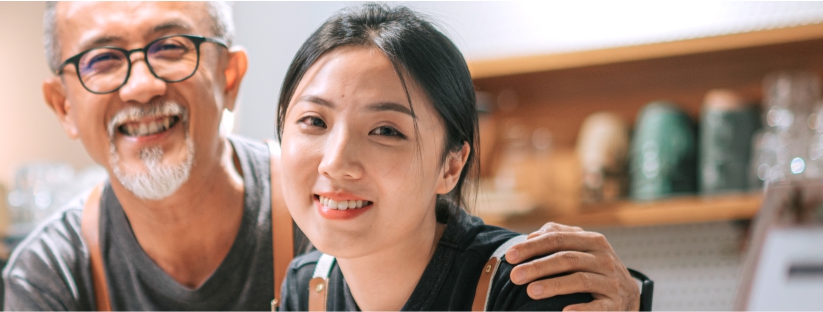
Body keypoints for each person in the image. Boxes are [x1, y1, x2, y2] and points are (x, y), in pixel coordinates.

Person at [6, 2, 644, 310]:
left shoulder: (517, 288)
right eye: (101, 59)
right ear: (61, 105)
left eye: (170, 46)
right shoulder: (309, 286)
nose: (337, 161)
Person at [269, 4, 648, 311]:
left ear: (451, 166)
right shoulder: (307, 287)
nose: (335, 162)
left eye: (386, 130)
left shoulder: (530, 290)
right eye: (314, 120)